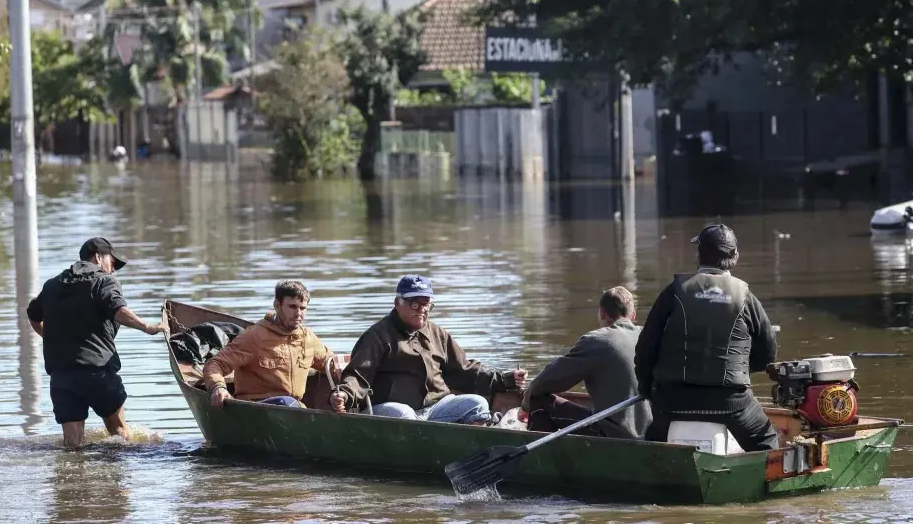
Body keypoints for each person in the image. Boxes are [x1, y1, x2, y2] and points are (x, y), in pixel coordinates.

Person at [635, 223, 780, 451]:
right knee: (768, 442)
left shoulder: (673, 291)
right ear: (736, 257)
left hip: (673, 401)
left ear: (698, 254)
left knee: (652, 443)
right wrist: (741, 369)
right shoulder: (746, 298)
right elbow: (768, 353)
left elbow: (646, 348)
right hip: (732, 403)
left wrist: (646, 388)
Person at [329, 275, 527, 424]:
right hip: (393, 408)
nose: (422, 309)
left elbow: (464, 369)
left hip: (435, 407)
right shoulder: (378, 335)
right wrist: (344, 394)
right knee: (405, 415)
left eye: (426, 304)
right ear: (397, 303)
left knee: (477, 404)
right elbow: (357, 375)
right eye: (415, 303)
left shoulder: (438, 334)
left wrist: (506, 379)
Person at [27, 237, 166, 447]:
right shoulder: (104, 281)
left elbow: (32, 315)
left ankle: (75, 479)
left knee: (72, 445)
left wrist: (51, 338)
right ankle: (115, 479)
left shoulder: (53, 285)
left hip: (62, 376)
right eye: (112, 263)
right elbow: (119, 312)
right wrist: (147, 327)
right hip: (98, 372)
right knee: (120, 437)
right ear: (98, 257)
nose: (113, 270)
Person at [521, 286, 652, 439]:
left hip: (614, 435)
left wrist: (525, 404)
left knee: (539, 401)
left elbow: (547, 381)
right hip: (651, 434)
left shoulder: (597, 341)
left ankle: (542, 460)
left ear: (602, 313)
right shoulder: (649, 337)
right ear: (633, 316)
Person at [204, 280, 338, 409]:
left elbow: (333, 364)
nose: (298, 314)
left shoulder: (308, 338)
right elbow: (215, 364)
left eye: (303, 308)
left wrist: (348, 387)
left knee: (291, 404)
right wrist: (218, 387)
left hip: (295, 410)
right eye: (292, 307)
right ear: (277, 306)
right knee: (287, 403)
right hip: (255, 409)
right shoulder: (255, 337)